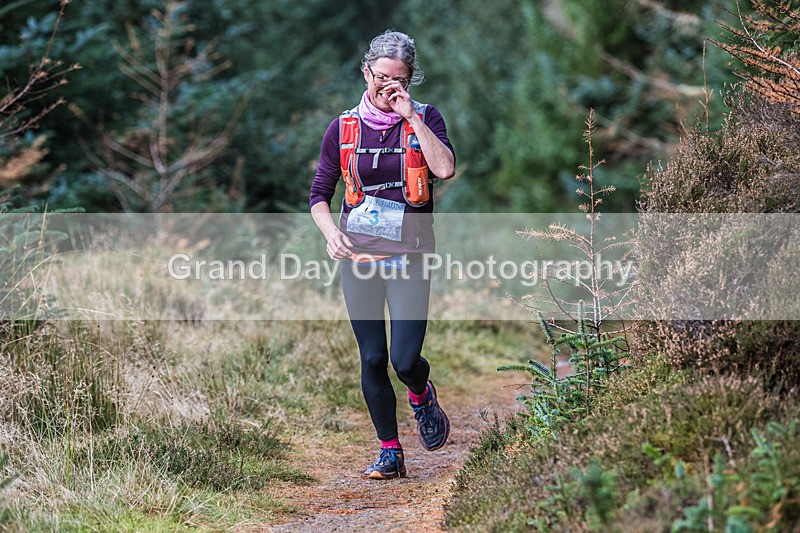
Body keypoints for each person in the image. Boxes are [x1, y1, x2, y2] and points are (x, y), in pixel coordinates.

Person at [309, 30, 456, 480]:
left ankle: (421, 395)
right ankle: (390, 453)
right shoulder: (343, 126)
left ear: (411, 80)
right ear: (366, 70)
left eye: (400, 80)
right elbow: (319, 193)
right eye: (382, 76)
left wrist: (411, 117)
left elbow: (445, 168)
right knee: (372, 357)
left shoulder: (426, 116)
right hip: (359, 255)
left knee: (404, 360)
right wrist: (331, 232)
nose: (389, 87)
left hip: (411, 253)